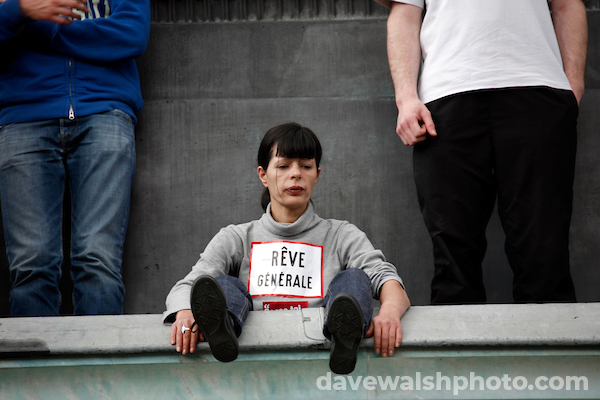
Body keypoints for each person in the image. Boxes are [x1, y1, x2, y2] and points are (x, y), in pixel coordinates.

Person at [164, 123, 410, 374]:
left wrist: (389, 313)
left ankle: (345, 337)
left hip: (324, 348)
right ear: (263, 175)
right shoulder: (236, 237)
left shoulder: (341, 234)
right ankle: (221, 329)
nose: (296, 174)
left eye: (306, 166)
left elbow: (387, 278)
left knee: (355, 279)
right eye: (283, 166)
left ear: (317, 174)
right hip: (247, 354)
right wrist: (185, 314)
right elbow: (187, 286)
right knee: (223, 284)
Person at [383, 0, 587, 303]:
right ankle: (456, 349)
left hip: (538, 90)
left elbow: (568, 4)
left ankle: (551, 347)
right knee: (452, 246)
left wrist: (573, 87)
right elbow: (404, 14)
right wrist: (406, 98)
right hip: (445, 96)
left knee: (543, 243)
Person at [0, 0, 150, 315]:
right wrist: (19, 10)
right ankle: (34, 363)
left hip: (104, 111)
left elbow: (132, 35)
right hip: (23, 115)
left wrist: (37, 29)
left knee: (99, 260)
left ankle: (101, 363)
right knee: (32, 264)